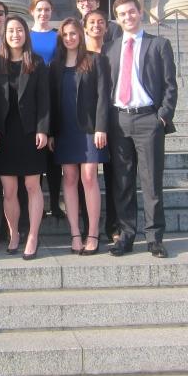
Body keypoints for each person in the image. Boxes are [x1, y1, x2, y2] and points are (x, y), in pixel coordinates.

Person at [104, 0, 177, 258]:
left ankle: (154, 237)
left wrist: (163, 117)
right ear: (117, 18)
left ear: (140, 12)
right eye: (122, 14)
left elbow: (170, 85)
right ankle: (125, 235)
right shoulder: (110, 48)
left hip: (149, 120)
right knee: (122, 181)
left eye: (131, 12)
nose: (127, 17)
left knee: (151, 181)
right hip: (119, 120)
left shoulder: (158, 44)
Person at [0, 15, 50, 260]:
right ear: (4, 34)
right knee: (9, 190)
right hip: (4, 135)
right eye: (10, 30)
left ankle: (32, 234)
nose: (15, 34)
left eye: (19, 30)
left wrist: (43, 129)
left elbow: (44, 100)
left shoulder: (37, 63)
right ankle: (14, 234)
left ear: (25, 34)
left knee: (32, 186)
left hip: (31, 134)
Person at [48, 18, 109, 255]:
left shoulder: (95, 60)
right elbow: (52, 101)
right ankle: (75, 233)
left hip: (90, 130)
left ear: (81, 35)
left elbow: (103, 96)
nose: (70, 38)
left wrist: (101, 127)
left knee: (90, 176)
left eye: (73, 34)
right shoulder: (55, 65)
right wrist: (52, 132)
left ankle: (92, 232)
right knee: (70, 178)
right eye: (65, 35)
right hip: (65, 130)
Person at [83, 10, 118, 242]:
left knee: (116, 175)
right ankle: (89, 226)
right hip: (88, 123)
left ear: (107, 27)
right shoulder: (78, 54)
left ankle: (114, 226)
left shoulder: (115, 50)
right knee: (86, 177)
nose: (97, 26)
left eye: (101, 22)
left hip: (116, 120)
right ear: (84, 27)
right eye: (92, 23)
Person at [29, 0, 63, 219]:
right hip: (33, 98)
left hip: (55, 94)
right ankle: (37, 204)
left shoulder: (58, 36)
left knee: (53, 156)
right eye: (39, 9)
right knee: (36, 155)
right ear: (32, 12)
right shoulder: (26, 36)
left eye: (47, 10)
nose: (43, 13)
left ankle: (55, 203)